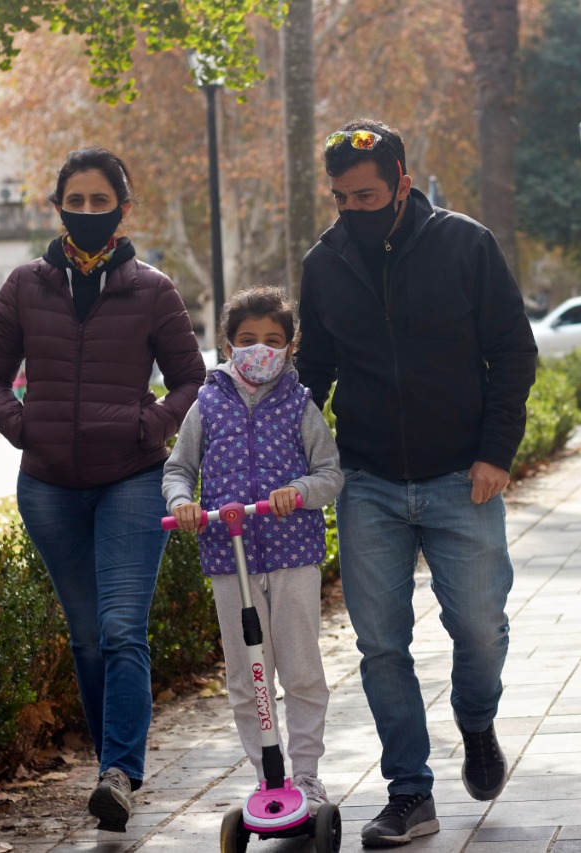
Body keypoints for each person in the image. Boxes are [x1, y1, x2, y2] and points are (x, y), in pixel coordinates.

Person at [297, 119, 537, 848]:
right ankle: (410, 792)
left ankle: (476, 720)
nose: (352, 210)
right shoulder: (326, 261)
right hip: (367, 480)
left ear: (403, 181)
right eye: (339, 198)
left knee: (478, 628)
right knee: (380, 645)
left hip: (463, 477)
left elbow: (513, 353)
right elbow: (314, 373)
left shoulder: (467, 244)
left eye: (366, 195)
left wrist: (496, 452)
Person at [0, 147, 205, 831]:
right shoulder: (23, 286)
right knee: (86, 638)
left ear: (123, 209)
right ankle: (114, 772)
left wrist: (150, 423)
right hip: (48, 486)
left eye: (102, 202)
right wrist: (25, 428)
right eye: (76, 200)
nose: (88, 213)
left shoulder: (153, 290)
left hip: (131, 479)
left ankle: (119, 772)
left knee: (121, 628)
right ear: (57, 205)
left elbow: (190, 380)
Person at [163, 286, 342, 813]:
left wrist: (301, 492)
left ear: (290, 346)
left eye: (272, 340)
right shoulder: (207, 402)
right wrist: (185, 503)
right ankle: (268, 775)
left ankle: (306, 775)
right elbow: (179, 469)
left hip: (292, 556)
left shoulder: (300, 404)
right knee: (246, 676)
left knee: (300, 668)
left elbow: (330, 474)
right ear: (227, 344)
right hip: (228, 557)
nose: (259, 349)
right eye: (247, 340)